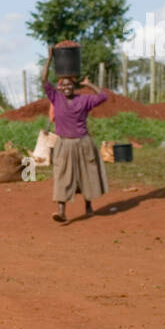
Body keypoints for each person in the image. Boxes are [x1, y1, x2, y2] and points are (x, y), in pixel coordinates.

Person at [42, 43, 110, 222]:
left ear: (74, 87)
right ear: (59, 88)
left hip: (83, 142)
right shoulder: (56, 98)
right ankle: (61, 212)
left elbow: (103, 97)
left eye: (69, 85)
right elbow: (44, 81)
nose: (65, 88)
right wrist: (49, 59)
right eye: (62, 85)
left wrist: (89, 85)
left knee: (86, 174)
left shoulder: (84, 100)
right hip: (64, 143)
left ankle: (88, 206)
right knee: (62, 175)